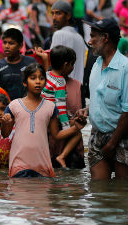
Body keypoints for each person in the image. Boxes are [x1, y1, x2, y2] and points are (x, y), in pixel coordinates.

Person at [1, 63, 85, 178]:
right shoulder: (14, 105)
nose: (38, 81)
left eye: (41, 78)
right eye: (33, 78)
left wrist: (76, 128)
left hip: (42, 164)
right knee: (18, 194)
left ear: (45, 83)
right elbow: (5, 134)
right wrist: (6, 123)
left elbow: (56, 135)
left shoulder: (50, 107)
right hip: (19, 164)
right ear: (25, 83)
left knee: (42, 194)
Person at [79, 18, 128, 180]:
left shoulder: (124, 68)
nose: (90, 41)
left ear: (105, 38)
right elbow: (100, 98)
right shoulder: (96, 65)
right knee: (99, 191)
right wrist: (87, 110)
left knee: (122, 193)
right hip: (97, 134)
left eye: (93, 36)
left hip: (121, 137)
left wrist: (113, 143)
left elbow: (127, 112)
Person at [42, 45, 83, 168]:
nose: (72, 68)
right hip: (54, 118)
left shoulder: (46, 75)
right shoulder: (60, 82)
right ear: (65, 65)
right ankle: (62, 156)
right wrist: (66, 128)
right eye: (72, 64)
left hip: (44, 117)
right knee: (77, 133)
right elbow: (60, 108)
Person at [0, 28, 36, 101]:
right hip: (5, 109)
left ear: (20, 45)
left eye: (11, 43)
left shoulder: (31, 62)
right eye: (4, 42)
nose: (6, 46)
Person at [50, 0, 86, 85]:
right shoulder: (79, 37)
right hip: (77, 89)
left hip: (61, 89)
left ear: (68, 16)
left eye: (58, 13)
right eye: (52, 13)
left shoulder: (59, 34)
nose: (54, 17)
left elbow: (52, 64)